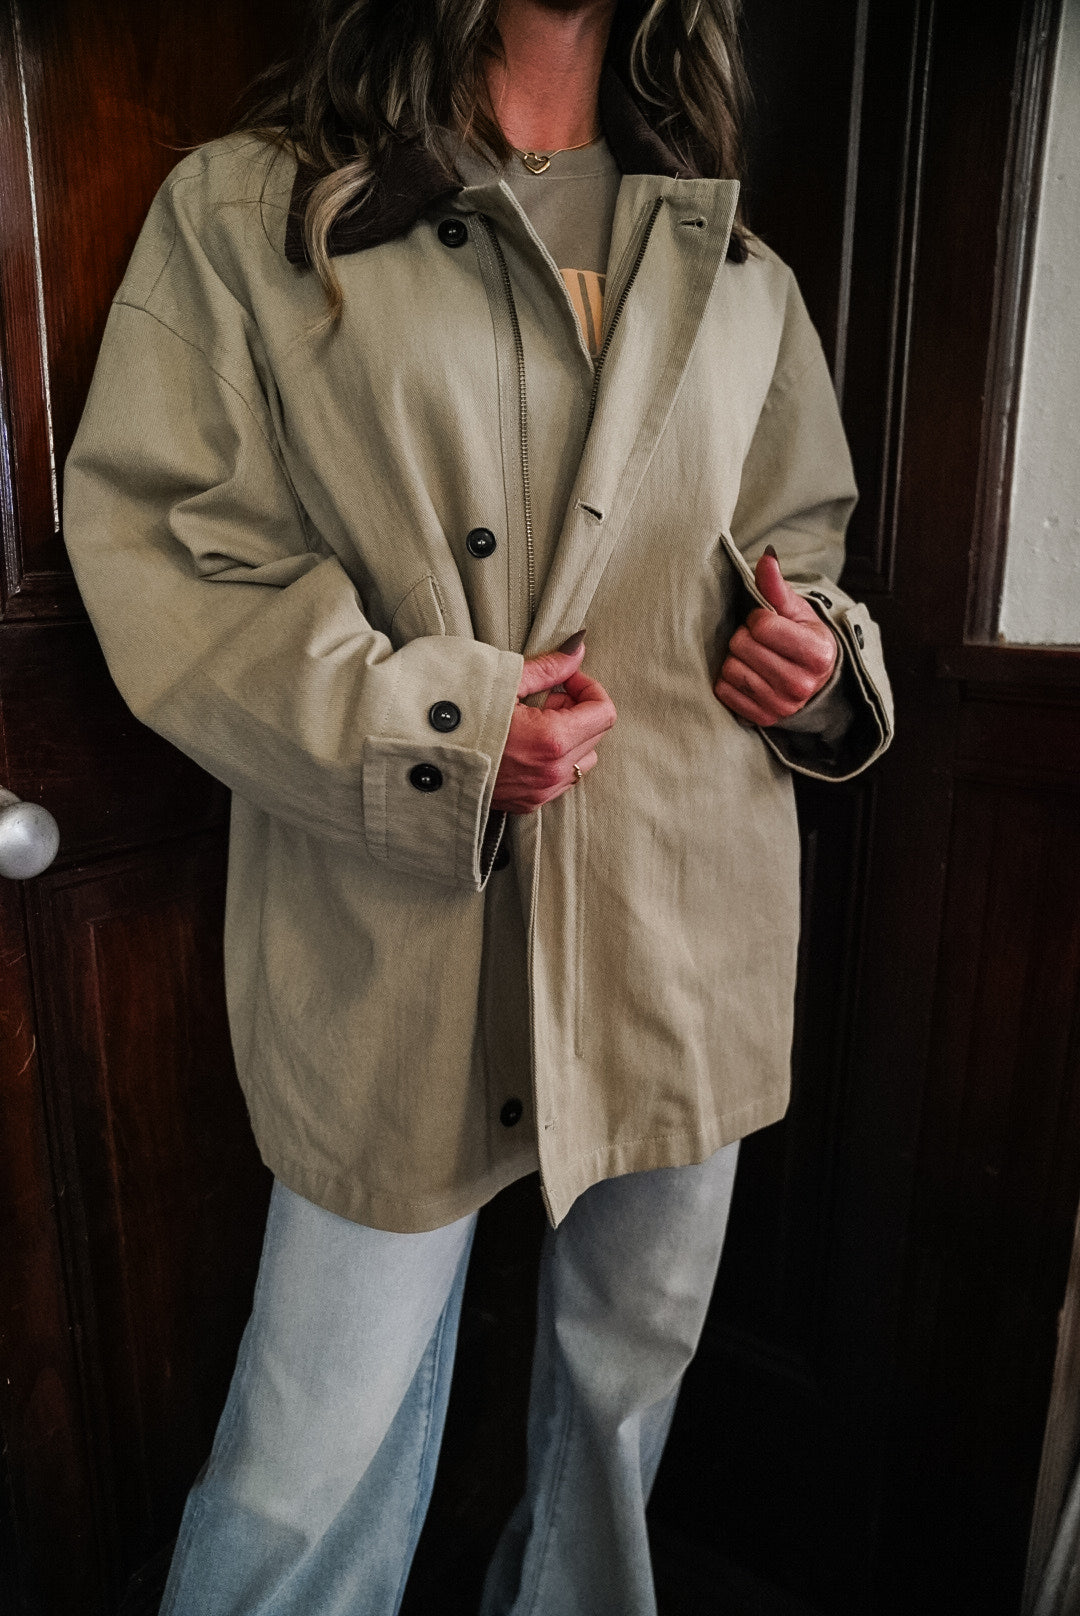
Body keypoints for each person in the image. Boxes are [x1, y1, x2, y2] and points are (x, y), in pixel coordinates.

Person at [64, 0, 893, 1611]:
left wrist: (819, 668)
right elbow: (176, 552)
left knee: (626, 1394)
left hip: (680, 913)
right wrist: (440, 730)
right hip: (397, 917)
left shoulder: (736, 265)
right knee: (314, 1443)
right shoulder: (254, 212)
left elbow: (803, 555)